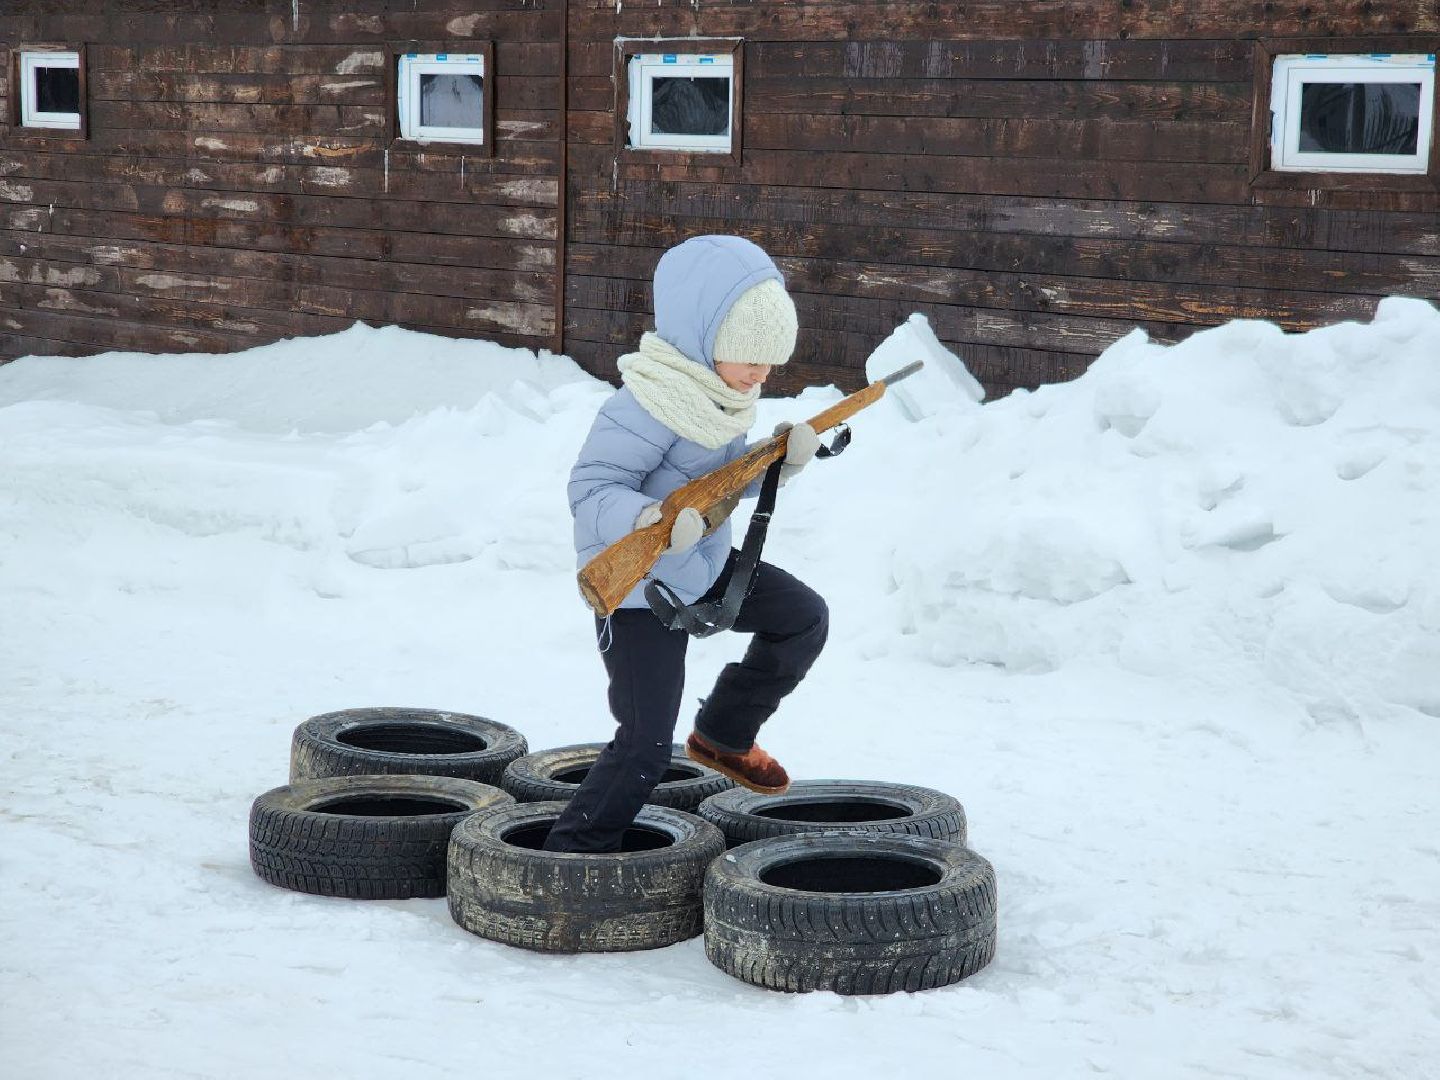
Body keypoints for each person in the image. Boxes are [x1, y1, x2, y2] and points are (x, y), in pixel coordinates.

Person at [543, 235, 830, 854]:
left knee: (802, 618)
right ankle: (574, 852)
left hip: (699, 567)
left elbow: (722, 484)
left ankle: (724, 733)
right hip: (638, 590)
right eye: (745, 355)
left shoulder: (720, 400)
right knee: (645, 742)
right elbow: (590, 489)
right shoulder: (646, 405)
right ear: (702, 339)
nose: (758, 372)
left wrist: (783, 461)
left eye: (769, 360)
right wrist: (652, 518)